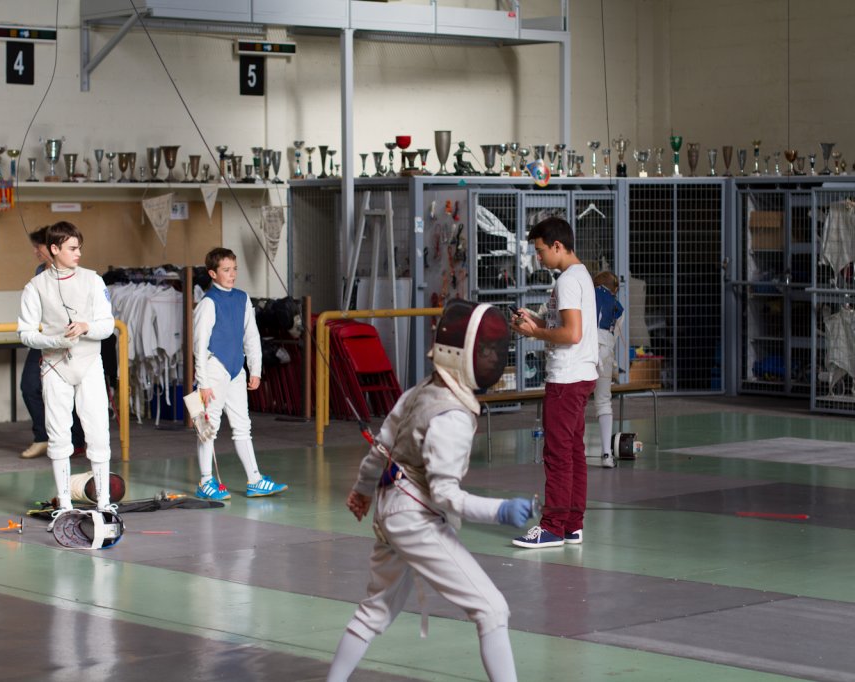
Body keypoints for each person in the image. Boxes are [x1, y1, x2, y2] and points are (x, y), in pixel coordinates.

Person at [327, 299, 532, 682]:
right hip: (415, 518)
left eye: (494, 349)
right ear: (463, 357)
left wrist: (363, 489)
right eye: (485, 350)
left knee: (375, 610)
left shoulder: (421, 390)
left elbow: (382, 448)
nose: (493, 358)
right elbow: (445, 494)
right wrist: (499, 510)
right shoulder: (452, 416)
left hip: (389, 508)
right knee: (492, 610)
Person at [17, 221, 115, 522]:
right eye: (72, 248)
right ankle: (64, 502)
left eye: (79, 247)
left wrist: (85, 327)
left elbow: (107, 325)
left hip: (89, 363)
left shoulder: (93, 280)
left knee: (98, 430)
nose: (78, 253)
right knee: (58, 433)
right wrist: (55, 341)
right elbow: (25, 333)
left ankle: (104, 502)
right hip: (54, 366)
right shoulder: (35, 286)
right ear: (54, 249)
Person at [511, 217, 598, 549]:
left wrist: (535, 332)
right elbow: (568, 326)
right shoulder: (581, 275)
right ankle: (572, 524)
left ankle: (552, 527)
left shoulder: (567, 281)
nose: (538, 257)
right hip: (581, 375)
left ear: (557, 246)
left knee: (558, 454)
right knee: (573, 451)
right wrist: (536, 321)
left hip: (566, 378)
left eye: (540, 250)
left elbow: (571, 334)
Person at [192, 247, 288, 500]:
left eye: (234, 269)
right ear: (213, 273)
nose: (232, 274)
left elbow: (251, 335)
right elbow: (199, 345)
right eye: (226, 270)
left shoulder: (242, 298)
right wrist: (203, 382)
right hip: (214, 369)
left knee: (243, 425)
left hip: (237, 369)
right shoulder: (208, 303)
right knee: (208, 426)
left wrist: (255, 369)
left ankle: (255, 480)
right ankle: (205, 482)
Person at [19, 226, 86, 459]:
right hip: (46, 340)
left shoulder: (80, 275)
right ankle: (43, 437)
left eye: (38, 247)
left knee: (73, 391)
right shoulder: (39, 274)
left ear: (52, 248)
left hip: (73, 342)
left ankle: (76, 441)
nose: (35, 252)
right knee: (29, 386)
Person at [593, 271, 623, 468]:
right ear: (615, 288)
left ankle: (572, 452)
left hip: (584, 351)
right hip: (605, 352)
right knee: (603, 401)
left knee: (576, 401)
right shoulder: (618, 307)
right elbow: (614, 336)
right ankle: (606, 454)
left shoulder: (586, 295)